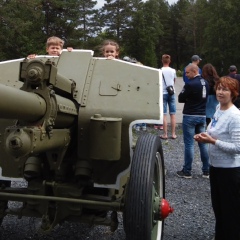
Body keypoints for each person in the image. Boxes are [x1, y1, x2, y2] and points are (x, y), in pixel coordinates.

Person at [194, 76, 240, 240]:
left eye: (225, 89)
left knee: (231, 213)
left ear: (233, 93)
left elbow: (238, 148)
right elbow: (214, 132)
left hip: (230, 172)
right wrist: (204, 135)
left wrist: (212, 141)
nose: (220, 92)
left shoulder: (235, 116)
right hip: (216, 168)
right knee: (219, 210)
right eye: (219, 88)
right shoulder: (218, 110)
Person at [177, 64, 209, 179]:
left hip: (190, 115)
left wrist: (188, 98)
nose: (186, 75)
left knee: (189, 143)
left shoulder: (190, 84)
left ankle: (187, 171)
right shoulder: (206, 83)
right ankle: (206, 170)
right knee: (203, 143)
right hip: (202, 115)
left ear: (194, 71)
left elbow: (180, 98)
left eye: (187, 73)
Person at [159, 54, 177, 140]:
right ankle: (173, 134)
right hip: (171, 93)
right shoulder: (173, 71)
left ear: (162, 61)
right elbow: (174, 81)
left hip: (163, 93)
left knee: (164, 114)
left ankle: (165, 134)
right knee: (172, 114)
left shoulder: (160, 70)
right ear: (169, 61)